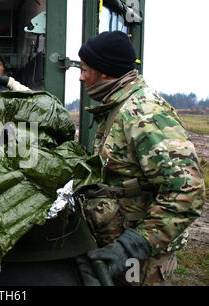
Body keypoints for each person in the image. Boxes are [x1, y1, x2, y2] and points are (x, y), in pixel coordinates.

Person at [76, 31, 205, 286]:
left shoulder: (144, 115)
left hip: (141, 258)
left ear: (104, 72)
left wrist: (131, 245)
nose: (81, 77)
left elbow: (187, 192)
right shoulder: (117, 107)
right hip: (120, 246)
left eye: (84, 69)